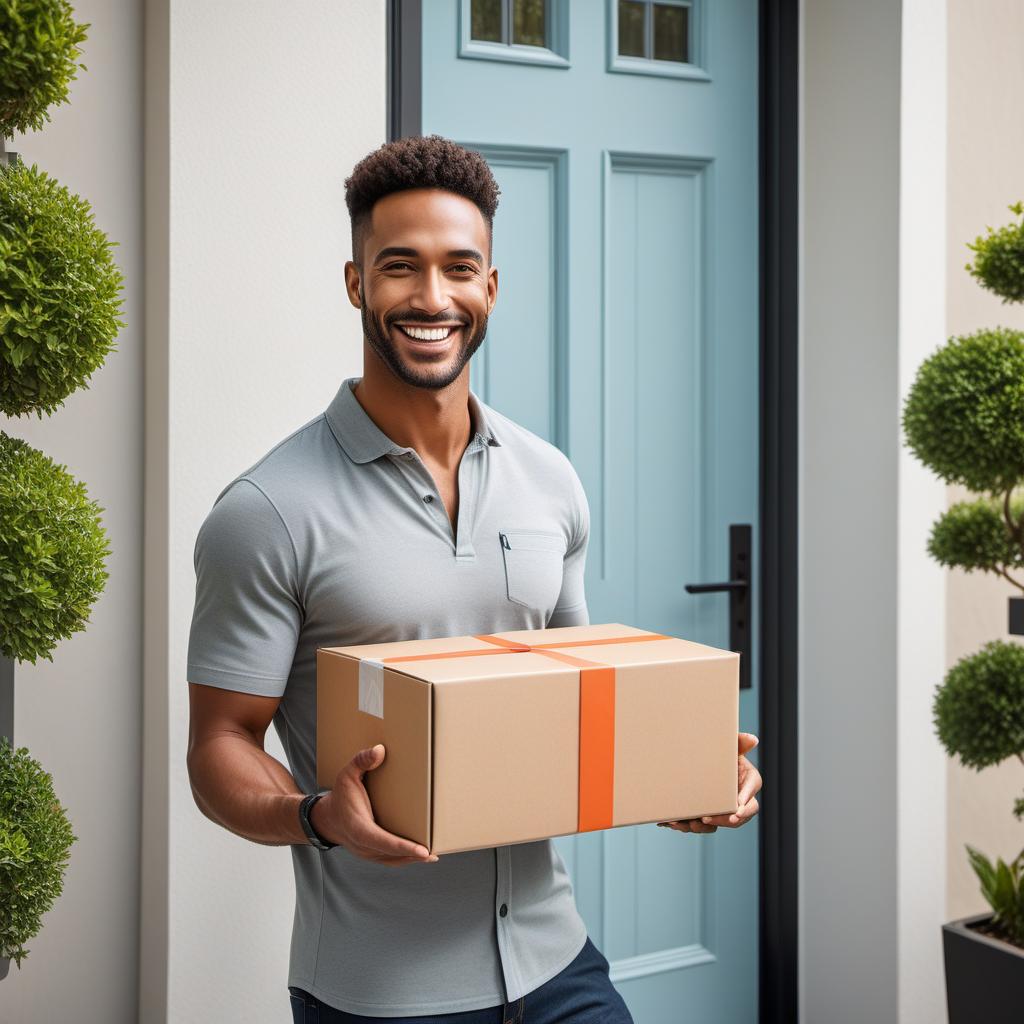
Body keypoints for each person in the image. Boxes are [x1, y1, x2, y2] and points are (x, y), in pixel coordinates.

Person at [185, 135, 762, 1024]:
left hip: (556, 960)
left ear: (489, 287)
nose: (431, 297)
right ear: (355, 283)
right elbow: (219, 746)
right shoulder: (267, 510)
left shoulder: (551, 478)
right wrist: (315, 815)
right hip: (381, 993)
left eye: (460, 268)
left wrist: (681, 775)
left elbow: (575, 698)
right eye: (399, 268)